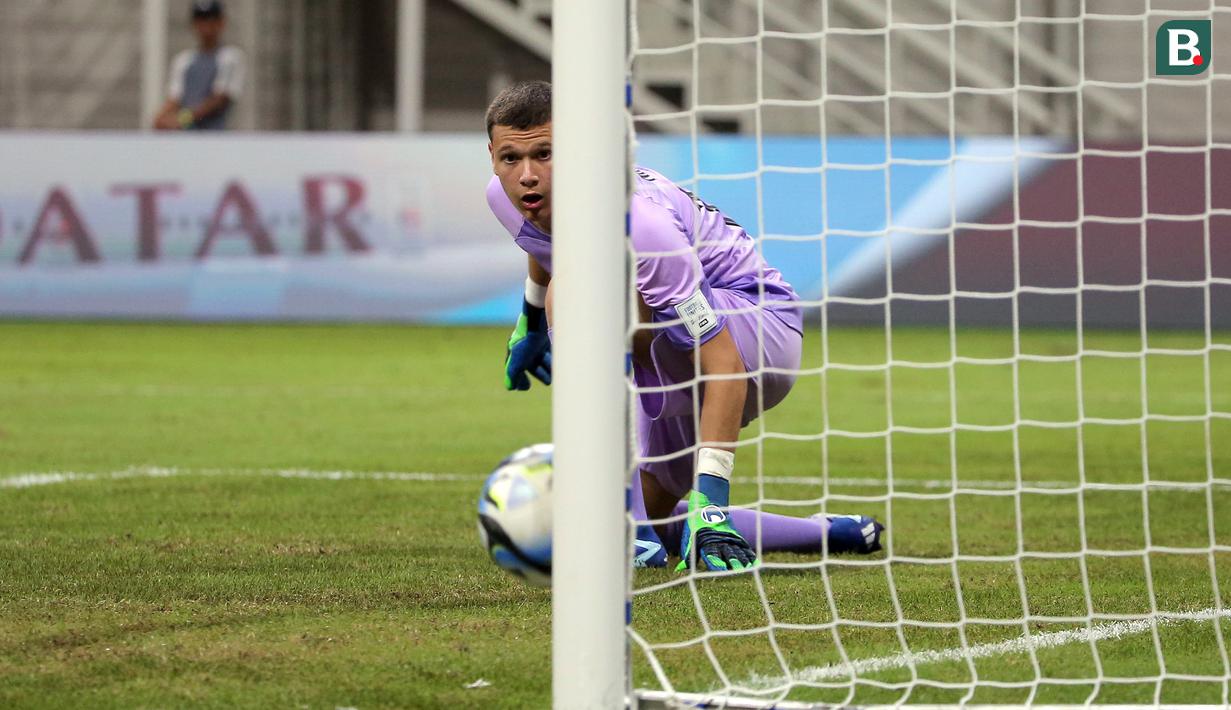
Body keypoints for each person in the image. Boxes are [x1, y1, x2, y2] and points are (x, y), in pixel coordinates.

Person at [486, 81, 884, 572]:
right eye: (510, 159)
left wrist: (711, 500)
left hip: (755, 328)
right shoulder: (505, 198)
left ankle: (657, 525)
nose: (527, 176)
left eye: (545, 154)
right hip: (665, 346)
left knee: (581, 286)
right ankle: (831, 533)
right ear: (492, 156)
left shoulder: (642, 226)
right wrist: (529, 321)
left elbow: (723, 364)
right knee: (644, 515)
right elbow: (545, 244)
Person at [153, 1, 245, 131]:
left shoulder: (231, 58)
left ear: (221, 22)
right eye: (201, 20)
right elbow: (174, 98)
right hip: (186, 138)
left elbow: (219, 100)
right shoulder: (183, 61)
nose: (206, 25)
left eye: (211, 19)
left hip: (217, 137)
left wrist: (182, 119)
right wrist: (161, 118)